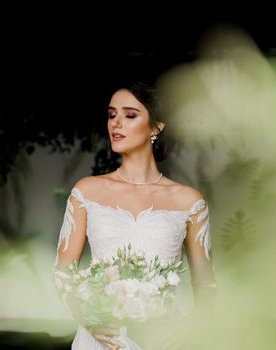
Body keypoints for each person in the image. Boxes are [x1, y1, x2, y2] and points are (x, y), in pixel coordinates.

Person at [52, 81, 218, 349]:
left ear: (156, 127)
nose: (116, 123)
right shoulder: (87, 191)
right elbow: (62, 272)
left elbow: (207, 284)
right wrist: (87, 318)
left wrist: (190, 327)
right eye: (111, 114)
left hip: (163, 341)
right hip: (101, 339)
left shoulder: (188, 201)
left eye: (129, 115)